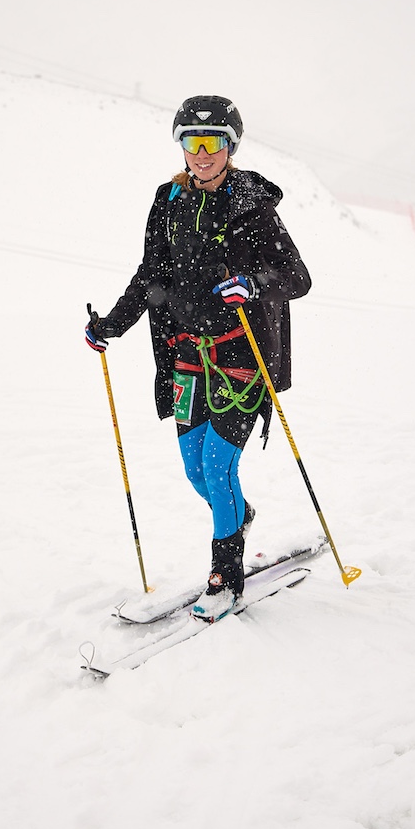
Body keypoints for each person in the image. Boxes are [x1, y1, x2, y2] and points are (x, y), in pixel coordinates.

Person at [86, 95, 311, 621]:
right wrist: (112, 325)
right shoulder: (168, 200)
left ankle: (225, 577)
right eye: (192, 141)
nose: (202, 153)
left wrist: (253, 283)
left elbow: (297, 277)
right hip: (187, 355)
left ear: (230, 147)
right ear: (181, 145)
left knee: (217, 464)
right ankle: (237, 519)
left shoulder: (251, 204)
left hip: (242, 358)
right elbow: (151, 275)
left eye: (212, 142)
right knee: (195, 470)